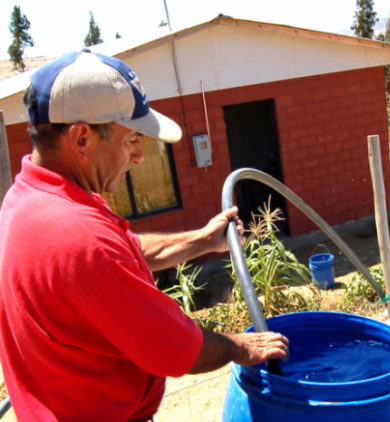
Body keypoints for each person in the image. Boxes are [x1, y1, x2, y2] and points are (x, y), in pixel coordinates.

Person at [0, 50, 288, 421]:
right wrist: (238, 346)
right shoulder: (77, 235)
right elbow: (172, 347)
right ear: (82, 138)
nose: (138, 157)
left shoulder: (29, 198)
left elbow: (119, 255)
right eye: (131, 139)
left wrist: (201, 240)